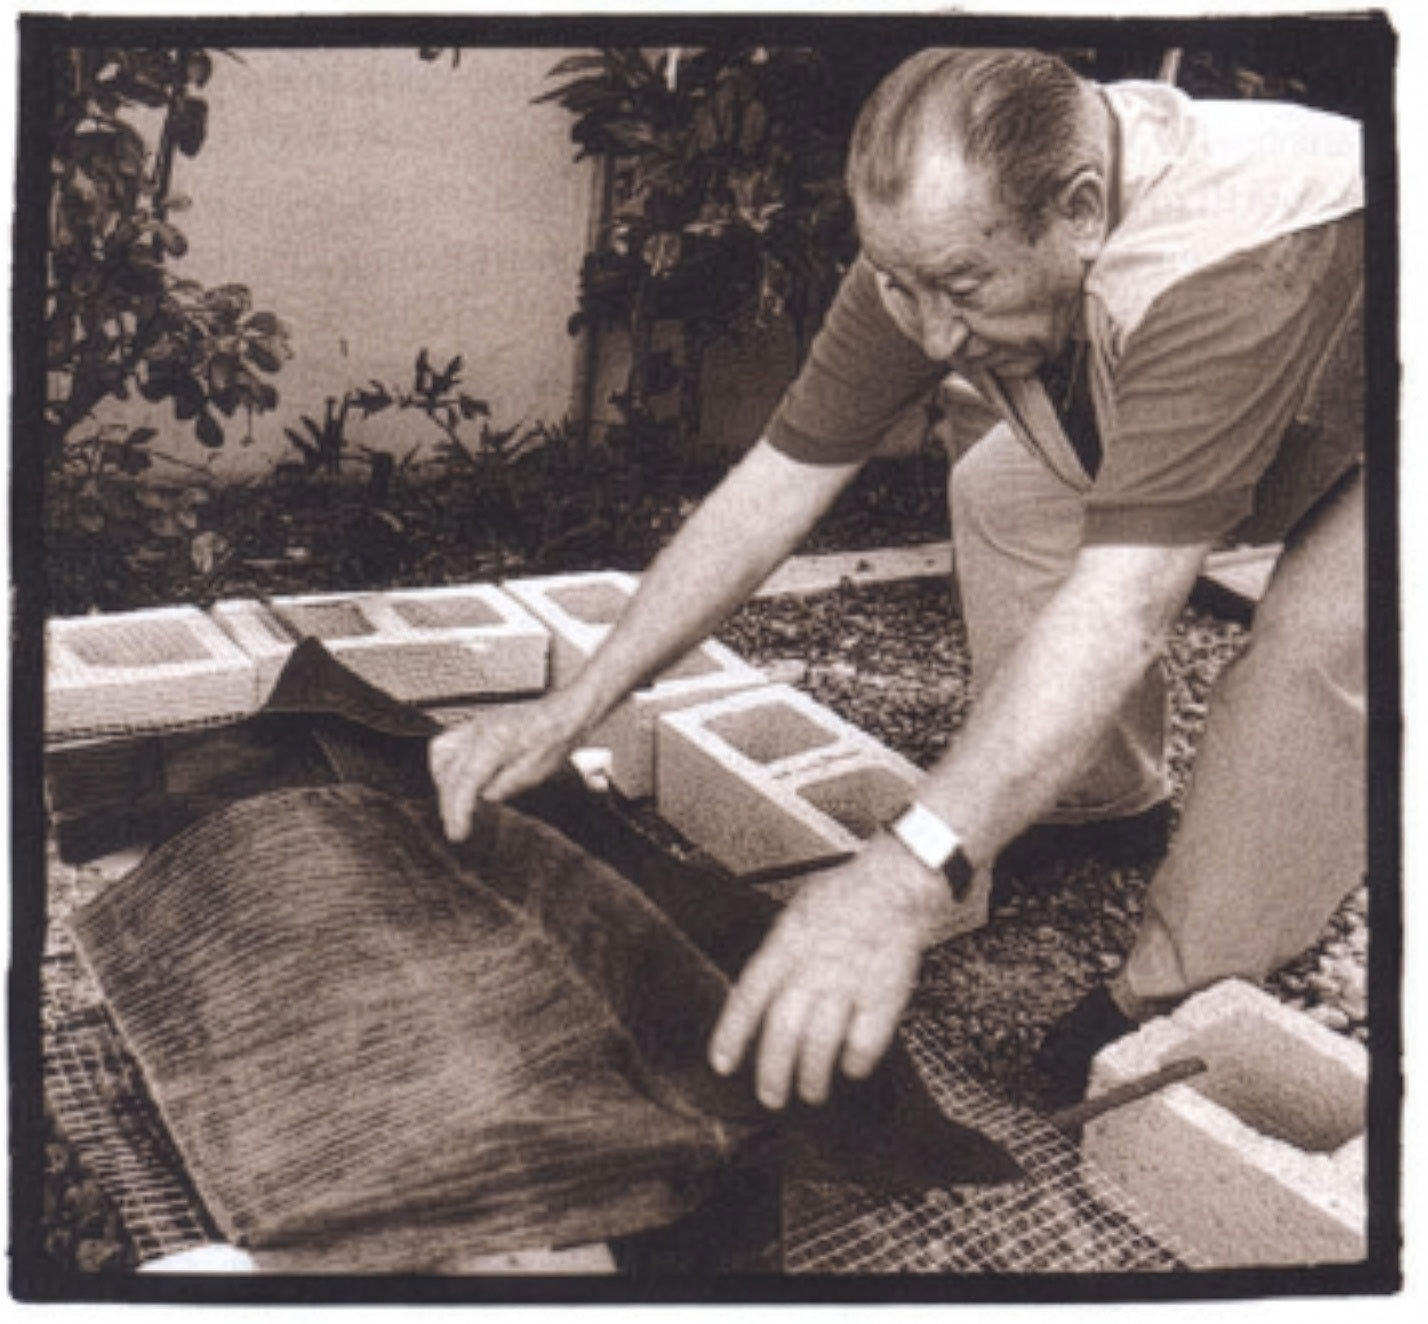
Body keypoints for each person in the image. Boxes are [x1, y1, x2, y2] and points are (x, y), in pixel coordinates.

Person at [431, 48, 1365, 1114]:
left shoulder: (1228, 261)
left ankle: (1185, 986)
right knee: (1010, 492)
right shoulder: (934, 246)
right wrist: (575, 703)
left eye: (961, 290)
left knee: (1324, 637)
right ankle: (1101, 798)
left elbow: (1126, 609)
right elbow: (777, 485)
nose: (927, 333)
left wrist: (910, 869)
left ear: (1083, 208)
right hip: (1273, 387)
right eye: (901, 284)